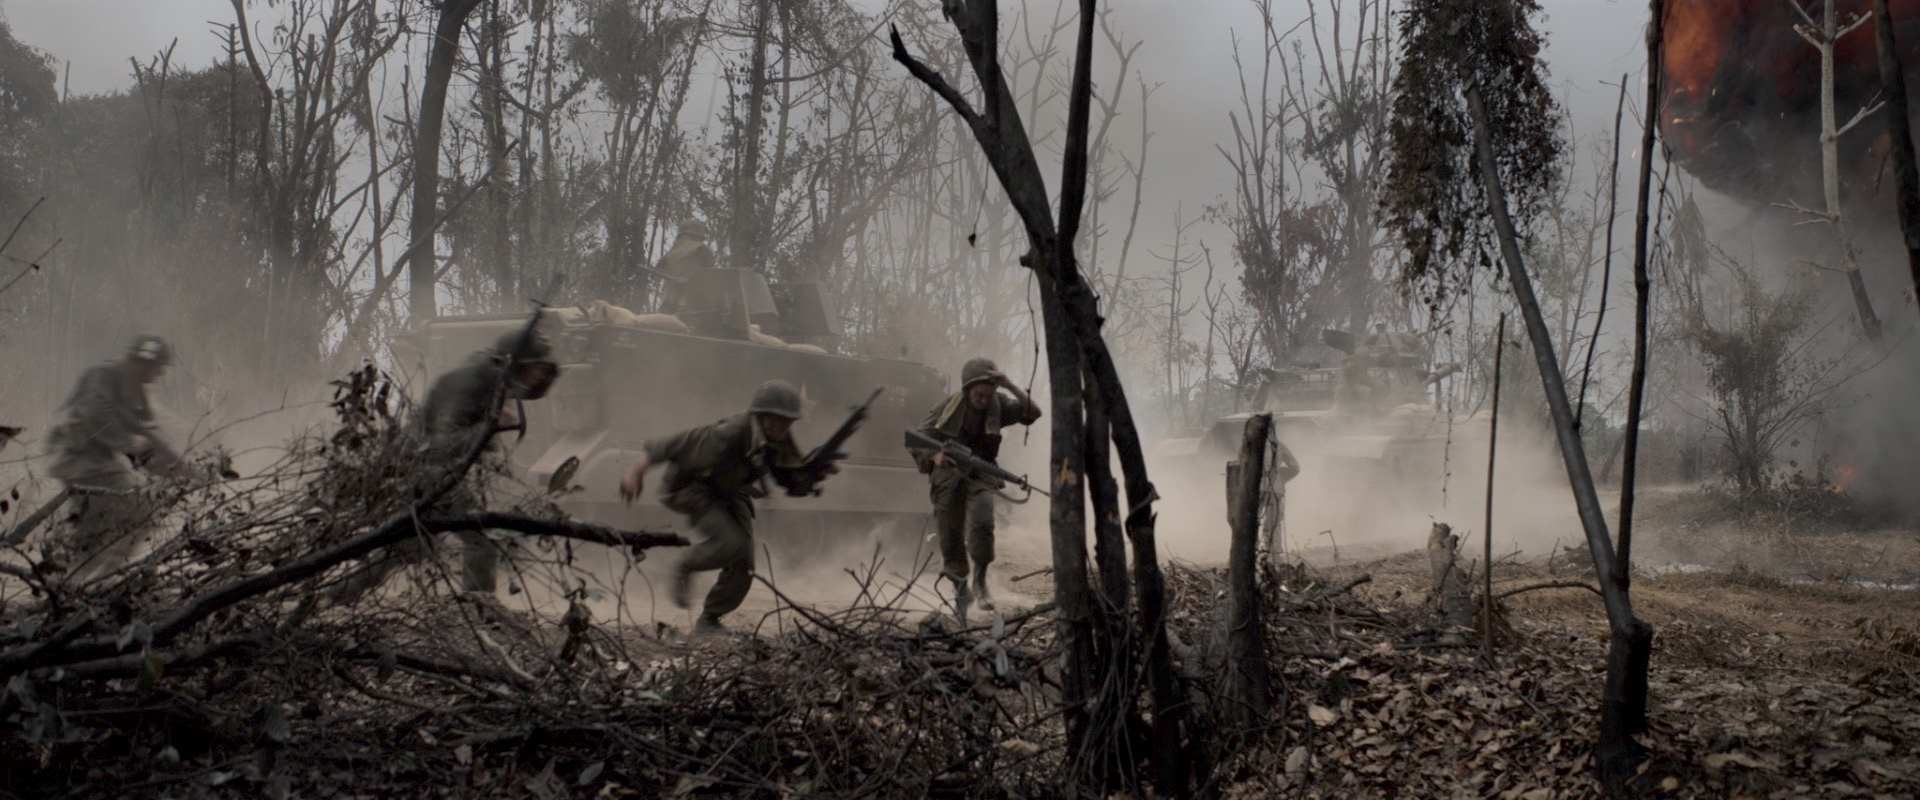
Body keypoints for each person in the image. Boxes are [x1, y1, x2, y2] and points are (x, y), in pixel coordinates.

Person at [333, 325, 560, 601]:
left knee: (409, 548)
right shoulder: (468, 383)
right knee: (479, 540)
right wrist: (489, 426)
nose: (537, 376)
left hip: (430, 473)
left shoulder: (490, 382)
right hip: (426, 471)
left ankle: (338, 595)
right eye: (533, 368)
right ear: (514, 364)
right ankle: (480, 608)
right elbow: (437, 447)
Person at [619, 380, 814, 634]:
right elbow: (678, 443)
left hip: (730, 491)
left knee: (744, 561)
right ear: (761, 416)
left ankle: (709, 620)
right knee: (729, 543)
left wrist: (810, 477)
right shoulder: (729, 433)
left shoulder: (779, 436)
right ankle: (684, 566)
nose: (783, 426)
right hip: (692, 489)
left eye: (788, 421)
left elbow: (789, 475)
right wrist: (636, 471)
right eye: (777, 420)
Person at [908, 357, 1041, 619]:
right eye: (979, 394)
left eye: (989, 393)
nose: (983, 399)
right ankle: (961, 589)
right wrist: (934, 457)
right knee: (950, 534)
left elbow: (1033, 413)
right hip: (948, 474)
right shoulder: (947, 407)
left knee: (982, 522)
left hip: (982, 473)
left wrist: (1010, 385)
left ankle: (980, 581)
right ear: (968, 389)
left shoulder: (998, 405)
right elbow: (915, 437)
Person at [47, 335, 184, 583]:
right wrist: (129, 442)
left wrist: (180, 469)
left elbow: (149, 440)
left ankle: (71, 583)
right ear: (143, 362)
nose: (159, 374)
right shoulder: (104, 375)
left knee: (92, 528)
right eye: (158, 367)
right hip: (77, 459)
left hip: (94, 463)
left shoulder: (136, 391)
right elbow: (96, 414)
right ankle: (94, 579)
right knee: (141, 509)